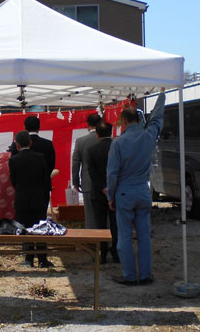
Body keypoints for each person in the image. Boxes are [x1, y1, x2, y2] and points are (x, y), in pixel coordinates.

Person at [106, 89, 166, 286]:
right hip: (143, 190)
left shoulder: (118, 143)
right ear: (139, 121)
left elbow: (112, 173)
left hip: (124, 192)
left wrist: (110, 196)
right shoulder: (149, 136)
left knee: (124, 236)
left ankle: (130, 275)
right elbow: (157, 118)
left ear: (123, 122)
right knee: (144, 236)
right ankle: (146, 274)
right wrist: (161, 96)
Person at [9, 130, 54, 268]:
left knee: (25, 228)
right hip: (39, 197)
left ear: (17, 145)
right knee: (40, 227)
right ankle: (42, 258)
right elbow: (45, 178)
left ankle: (28, 258)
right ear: (31, 142)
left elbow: (13, 181)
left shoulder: (13, 160)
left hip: (22, 197)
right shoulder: (40, 157)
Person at [87, 121, 118, 264]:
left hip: (98, 192)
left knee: (100, 224)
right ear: (111, 133)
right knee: (115, 224)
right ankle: (116, 251)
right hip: (116, 191)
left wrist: (102, 188)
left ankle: (103, 253)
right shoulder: (117, 147)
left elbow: (91, 173)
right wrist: (111, 187)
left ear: (97, 134)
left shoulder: (92, 149)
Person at [10, 116, 55, 210]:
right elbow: (51, 165)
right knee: (40, 220)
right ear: (39, 127)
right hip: (41, 189)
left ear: (25, 127)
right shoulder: (48, 144)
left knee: (23, 221)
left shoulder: (16, 144)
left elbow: (12, 169)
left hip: (22, 189)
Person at [71, 113, 101, 228]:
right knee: (106, 214)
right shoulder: (110, 141)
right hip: (106, 183)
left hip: (87, 182)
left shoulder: (80, 141)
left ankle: (91, 241)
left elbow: (76, 163)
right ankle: (107, 240)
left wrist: (76, 181)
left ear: (88, 125)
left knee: (90, 214)